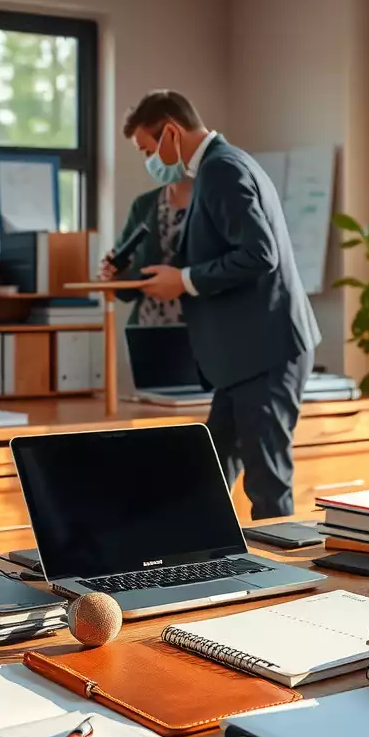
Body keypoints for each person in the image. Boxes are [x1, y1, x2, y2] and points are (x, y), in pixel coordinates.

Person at [123, 90, 320, 519]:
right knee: (210, 474)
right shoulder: (222, 166)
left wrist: (185, 281)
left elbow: (259, 253)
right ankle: (206, 569)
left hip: (265, 352)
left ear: (171, 132)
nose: (149, 161)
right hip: (243, 358)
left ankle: (288, 582)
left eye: (147, 149)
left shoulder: (222, 169)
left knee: (267, 484)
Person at [99, 178, 193, 325]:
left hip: (203, 330)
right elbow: (127, 291)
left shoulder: (216, 202)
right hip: (147, 326)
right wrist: (116, 275)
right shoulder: (144, 205)